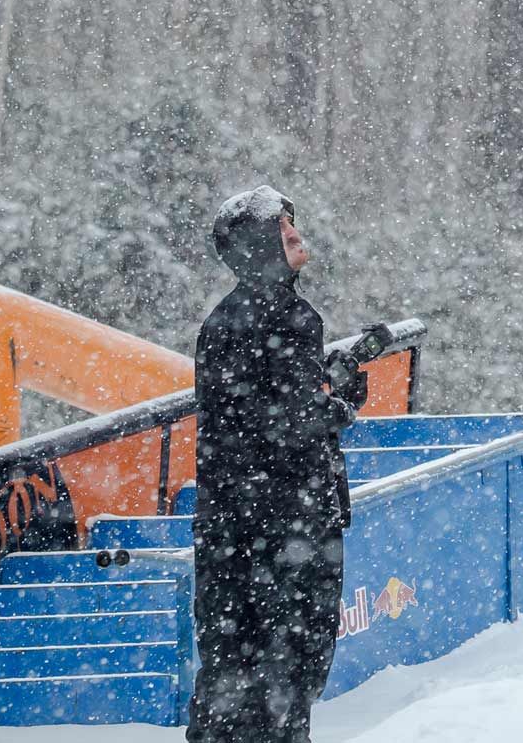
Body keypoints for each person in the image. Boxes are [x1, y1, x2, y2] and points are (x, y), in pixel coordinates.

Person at [186, 186, 391, 743]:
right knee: (289, 666)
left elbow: (256, 412)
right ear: (259, 246)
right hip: (286, 523)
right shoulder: (289, 317)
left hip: (233, 523)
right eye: (284, 231)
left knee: (231, 665)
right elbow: (290, 424)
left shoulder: (225, 319)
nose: (298, 238)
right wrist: (344, 397)